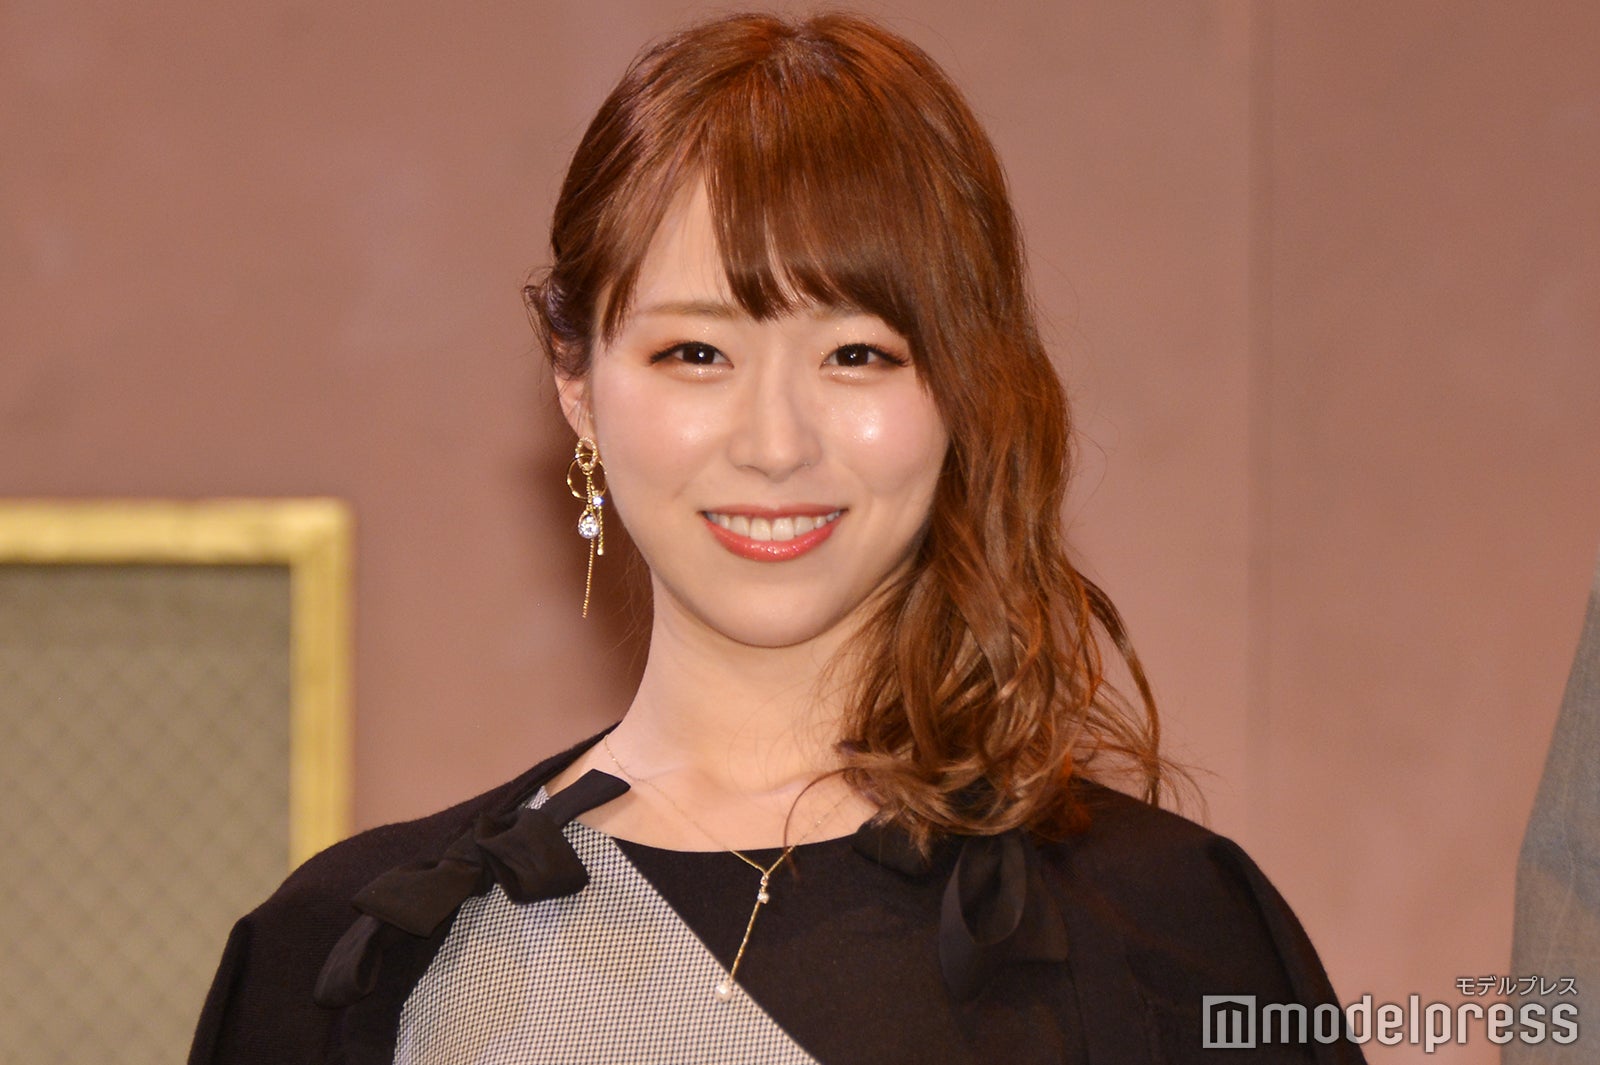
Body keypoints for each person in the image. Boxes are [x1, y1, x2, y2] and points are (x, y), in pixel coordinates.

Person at [189, 12, 1360, 1064]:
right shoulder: (349, 958)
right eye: (696, 353)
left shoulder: (1168, 937)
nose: (774, 442)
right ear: (577, 384)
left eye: (857, 353)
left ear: (963, 389)